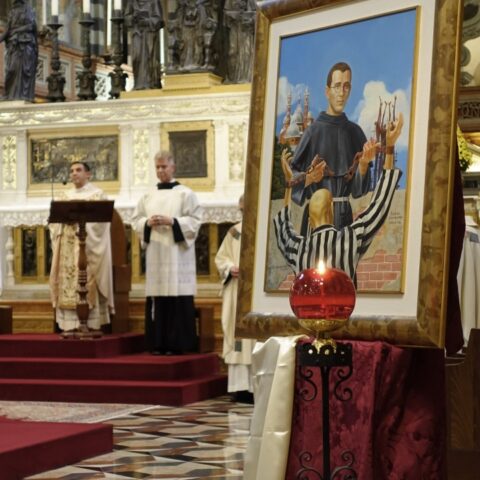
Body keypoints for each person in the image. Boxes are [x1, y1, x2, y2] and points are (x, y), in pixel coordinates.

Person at [274, 113, 404, 281]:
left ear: (310, 221)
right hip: (342, 307)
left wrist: (289, 183)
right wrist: (390, 147)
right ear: (332, 212)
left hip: (308, 308)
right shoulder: (350, 240)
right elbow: (379, 207)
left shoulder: (297, 249)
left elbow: (283, 227)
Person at [290, 62, 377, 231]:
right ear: (327, 91)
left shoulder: (355, 132)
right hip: (316, 219)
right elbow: (291, 178)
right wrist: (309, 178)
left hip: (344, 219)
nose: (341, 93)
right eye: (337, 86)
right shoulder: (312, 133)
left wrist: (364, 165)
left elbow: (358, 192)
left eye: (346, 87)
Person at [132, 151, 202, 355]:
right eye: (158, 167)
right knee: (158, 296)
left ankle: (179, 344)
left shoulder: (185, 193)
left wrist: (173, 221)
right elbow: (136, 220)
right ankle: (158, 343)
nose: (161, 170)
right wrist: (147, 223)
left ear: (173, 167)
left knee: (177, 296)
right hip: (156, 251)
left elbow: (196, 221)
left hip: (177, 253)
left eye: (164, 166)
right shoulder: (147, 195)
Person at [49, 162, 115, 333]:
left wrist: (81, 224)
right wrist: (62, 224)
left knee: (87, 277)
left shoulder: (97, 195)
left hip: (88, 247)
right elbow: (54, 223)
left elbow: (102, 224)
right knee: (67, 281)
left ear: (88, 174)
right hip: (67, 250)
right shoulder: (63, 196)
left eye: (78, 170)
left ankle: (90, 322)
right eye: (71, 171)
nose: (74, 174)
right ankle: (69, 324)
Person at [215, 195, 255, 402]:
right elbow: (221, 257)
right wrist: (230, 267)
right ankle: (240, 387)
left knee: (255, 339)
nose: (243, 213)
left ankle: (256, 388)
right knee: (238, 337)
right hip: (237, 290)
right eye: (241, 210)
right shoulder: (235, 232)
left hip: (256, 294)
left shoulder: (263, 230)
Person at [0, 0, 38, 102]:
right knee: (11, 70)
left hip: (26, 45)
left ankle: (23, 95)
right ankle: (8, 94)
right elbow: (7, 30)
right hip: (14, 45)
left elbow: (31, 26)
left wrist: (17, 30)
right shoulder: (12, 11)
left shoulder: (29, 10)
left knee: (25, 71)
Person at [124, 0, 164, 90]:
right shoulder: (132, 2)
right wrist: (133, 17)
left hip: (149, 34)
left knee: (149, 57)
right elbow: (126, 18)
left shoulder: (154, 1)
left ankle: (150, 83)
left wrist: (147, 21)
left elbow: (158, 19)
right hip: (137, 33)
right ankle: (138, 83)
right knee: (136, 57)